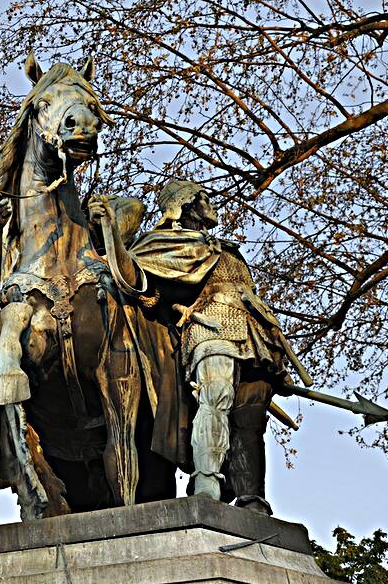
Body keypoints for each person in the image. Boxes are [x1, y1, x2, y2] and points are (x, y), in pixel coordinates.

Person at [90, 180, 310, 514]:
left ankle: (251, 498)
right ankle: (206, 483)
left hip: (258, 340)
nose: (210, 203)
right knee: (215, 399)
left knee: (250, 419)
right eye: (203, 198)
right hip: (211, 329)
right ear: (185, 205)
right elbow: (135, 279)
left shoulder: (225, 248)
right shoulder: (165, 243)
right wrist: (109, 231)